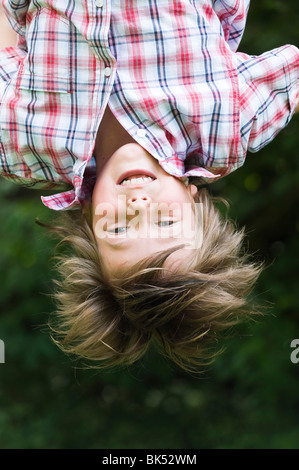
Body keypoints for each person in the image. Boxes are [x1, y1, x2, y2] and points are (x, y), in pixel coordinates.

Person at [0, 1, 298, 372]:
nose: (139, 205)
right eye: (166, 222)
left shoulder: (25, 150)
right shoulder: (226, 131)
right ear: (194, 202)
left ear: (90, 222)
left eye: (120, 228)